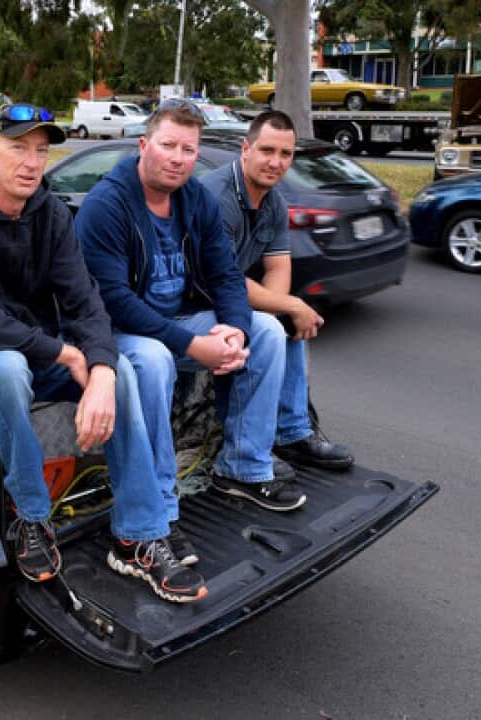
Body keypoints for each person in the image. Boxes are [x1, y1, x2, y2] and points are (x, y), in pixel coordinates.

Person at [0, 104, 207, 602]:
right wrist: (64, 353)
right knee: (8, 366)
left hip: (38, 352)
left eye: (40, 150)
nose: (31, 162)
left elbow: (85, 300)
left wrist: (98, 366)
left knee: (123, 369)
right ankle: (32, 518)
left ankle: (138, 534)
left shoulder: (49, 212)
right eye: (17, 148)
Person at [76, 99, 308, 527]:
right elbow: (113, 301)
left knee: (268, 332)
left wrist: (236, 329)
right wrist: (193, 345)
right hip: (120, 330)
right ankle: (159, 501)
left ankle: (242, 469)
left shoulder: (194, 199)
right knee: (155, 358)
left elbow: (227, 275)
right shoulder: (105, 206)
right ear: (144, 145)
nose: (178, 159)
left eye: (188, 150)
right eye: (168, 145)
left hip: (180, 319)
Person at [199, 110, 353, 473]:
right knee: (276, 321)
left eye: (285, 154)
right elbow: (222, 279)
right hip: (191, 300)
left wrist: (280, 308)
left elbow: (278, 265)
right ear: (246, 149)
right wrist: (285, 307)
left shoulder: (273, 202)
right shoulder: (216, 198)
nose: (276, 162)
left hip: (226, 295)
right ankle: (242, 456)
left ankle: (292, 433)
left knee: (283, 322)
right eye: (267, 150)